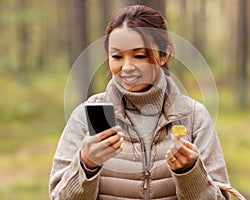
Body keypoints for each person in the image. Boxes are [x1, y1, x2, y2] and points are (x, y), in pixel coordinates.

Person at [49, 5, 230, 200]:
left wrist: (190, 172)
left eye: (139, 56)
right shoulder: (85, 117)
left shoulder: (195, 117)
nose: (127, 67)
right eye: (117, 56)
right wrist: (86, 164)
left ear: (164, 55)